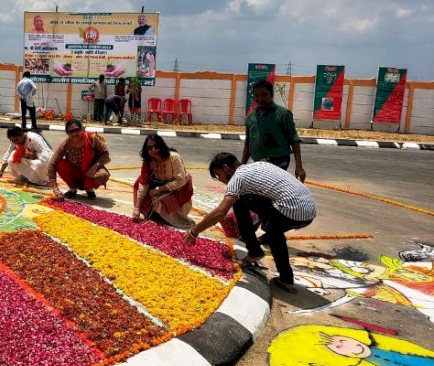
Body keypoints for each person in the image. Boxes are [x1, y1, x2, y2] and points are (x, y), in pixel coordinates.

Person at [184, 152, 316, 293]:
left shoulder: (237, 178)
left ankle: (285, 278)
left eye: (218, 175)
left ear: (226, 168)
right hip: (309, 211)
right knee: (248, 206)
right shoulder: (258, 165)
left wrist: (194, 231)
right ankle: (257, 248)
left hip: (291, 210)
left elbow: (221, 212)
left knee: (272, 232)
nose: (221, 180)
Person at [243, 80, 306, 182]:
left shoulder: (283, 114)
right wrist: (242, 165)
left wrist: (299, 167)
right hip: (257, 162)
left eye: (264, 95)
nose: (260, 98)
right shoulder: (250, 117)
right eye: (256, 95)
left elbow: (294, 140)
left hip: (279, 161)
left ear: (271, 95)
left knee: (268, 191)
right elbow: (248, 142)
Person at [132, 135, 194, 228]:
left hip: (179, 189)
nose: (153, 150)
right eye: (149, 148)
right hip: (160, 186)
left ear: (162, 146)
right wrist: (137, 208)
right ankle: (155, 213)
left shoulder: (174, 157)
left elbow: (181, 181)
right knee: (138, 183)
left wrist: (158, 189)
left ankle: (172, 217)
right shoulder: (148, 161)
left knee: (159, 201)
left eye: (156, 146)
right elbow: (144, 182)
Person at [48, 118, 111, 200]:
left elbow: (105, 154)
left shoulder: (91, 139)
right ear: (67, 133)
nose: (74, 133)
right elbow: (52, 164)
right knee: (60, 164)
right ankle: (72, 188)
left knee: (102, 175)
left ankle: (90, 188)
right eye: (71, 131)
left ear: (81, 129)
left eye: (76, 130)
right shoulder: (65, 144)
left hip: (90, 172)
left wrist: (95, 166)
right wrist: (55, 189)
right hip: (76, 173)